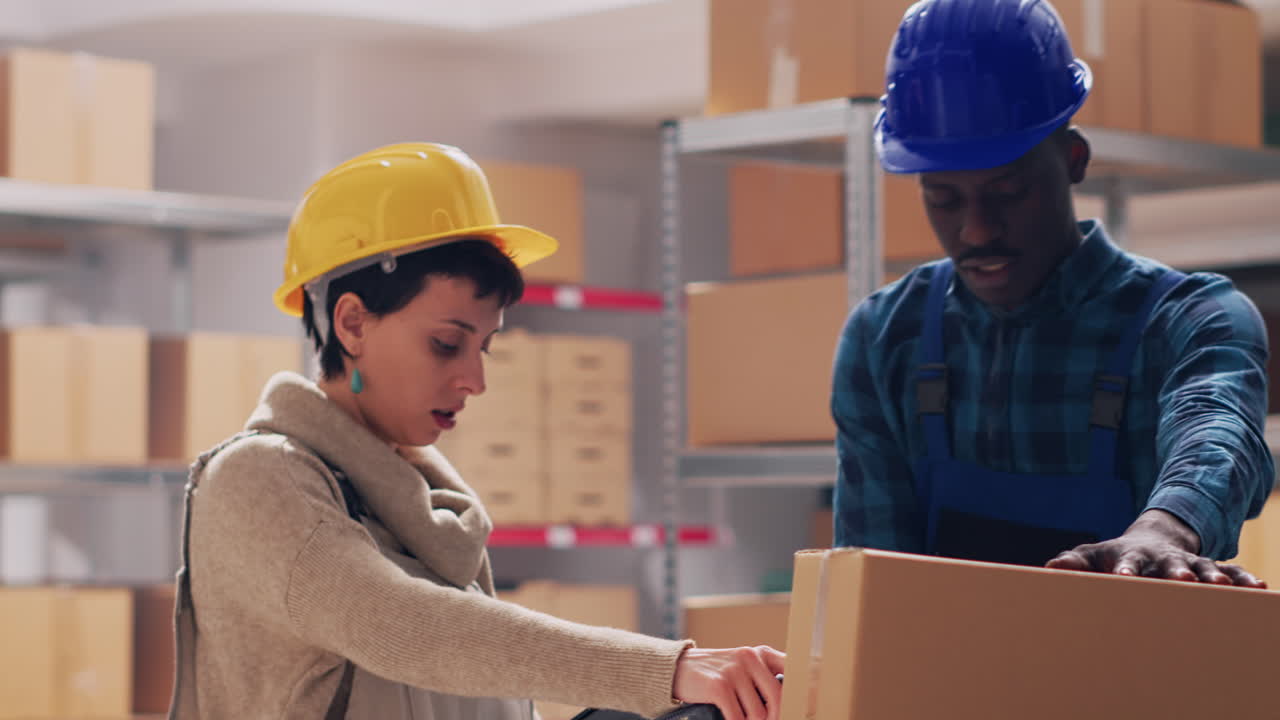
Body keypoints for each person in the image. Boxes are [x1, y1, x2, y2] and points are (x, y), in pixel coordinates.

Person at [169, 143, 785, 720]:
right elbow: (398, 625)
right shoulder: (259, 480)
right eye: (446, 344)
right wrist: (667, 668)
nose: (474, 379)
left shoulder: (423, 509)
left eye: (484, 347)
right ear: (352, 323)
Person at [832, 0, 1274, 584]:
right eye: (944, 198)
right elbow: (871, 589)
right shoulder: (887, 338)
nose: (977, 230)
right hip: (945, 673)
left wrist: (1163, 531)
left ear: (1072, 160)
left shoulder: (1190, 320)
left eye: (1009, 191)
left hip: (1138, 672)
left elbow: (1217, 430)